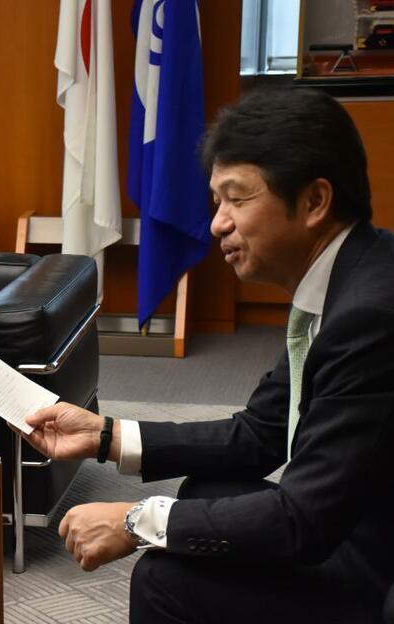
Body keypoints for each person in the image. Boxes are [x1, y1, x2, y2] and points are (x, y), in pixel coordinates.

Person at [22, 87, 393, 623]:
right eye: (217, 201)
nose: (218, 222)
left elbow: (302, 522)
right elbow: (259, 435)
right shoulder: (347, 276)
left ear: (314, 201)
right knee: (204, 493)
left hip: (378, 567)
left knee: (167, 579)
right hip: (356, 519)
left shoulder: (370, 315)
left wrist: (134, 520)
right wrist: (103, 436)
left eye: (237, 198)